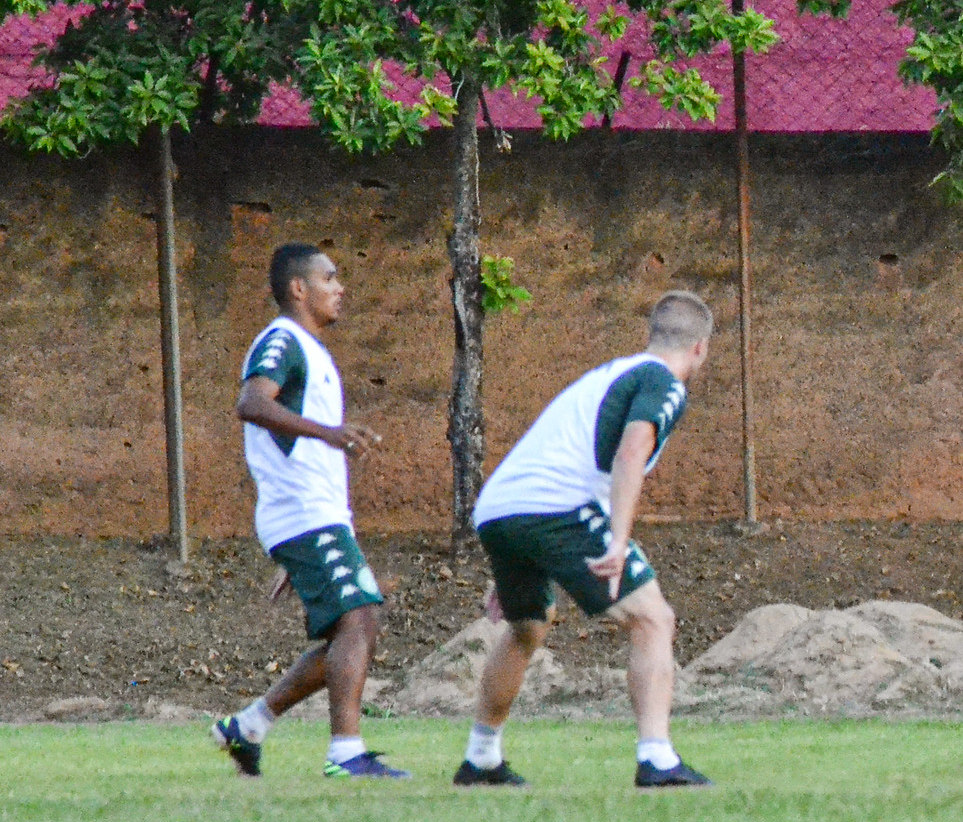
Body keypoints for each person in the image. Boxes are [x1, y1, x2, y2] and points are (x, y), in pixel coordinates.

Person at [452, 290, 714, 788]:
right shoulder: (664, 382)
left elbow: (552, 449)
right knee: (652, 617)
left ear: (650, 336)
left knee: (528, 624)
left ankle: (481, 757)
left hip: (501, 507)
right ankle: (657, 758)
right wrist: (618, 540)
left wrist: (515, 550)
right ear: (699, 349)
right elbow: (631, 451)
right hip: (553, 506)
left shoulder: (611, 372)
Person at [213, 243, 409, 779]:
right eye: (330, 277)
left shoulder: (313, 351)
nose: (339, 287)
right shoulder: (282, 339)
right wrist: (332, 434)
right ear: (299, 288)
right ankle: (346, 752)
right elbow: (251, 403)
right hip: (302, 513)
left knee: (352, 627)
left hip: (314, 516)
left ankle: (249, 726)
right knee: (360, 618)